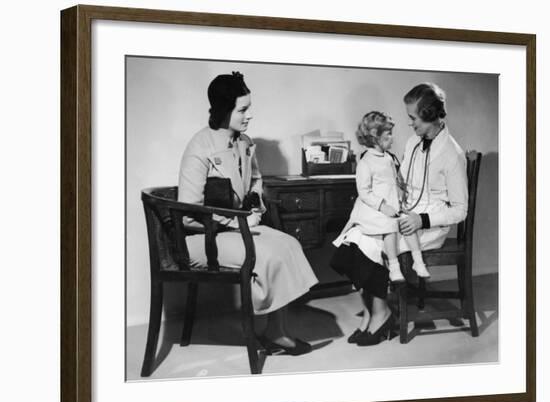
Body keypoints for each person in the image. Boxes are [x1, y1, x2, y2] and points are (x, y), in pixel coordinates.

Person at [178, 71, 318, 355]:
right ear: (223, 109)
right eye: (242, 109)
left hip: (236, 228)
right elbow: (188, 214)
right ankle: (274, 332)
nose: (249, 115)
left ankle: (276, 332)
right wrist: (235, 220)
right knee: (266, 254)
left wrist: (255, 206)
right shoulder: (199, 147)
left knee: (287, 243)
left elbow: (255, 181)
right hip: (203, 237)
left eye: (248, 108)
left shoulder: (244, 143)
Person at [331, 83, 468, 346]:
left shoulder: (452, 155)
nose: (409, 124)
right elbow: (400, 179)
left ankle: (381, 314)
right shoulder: (414, 141)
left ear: (429, 114)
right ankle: (371, 312)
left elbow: (460, 210)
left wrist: (421, 219)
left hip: (428, 225)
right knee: (353, 237)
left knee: (371, 242)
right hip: (403, 214)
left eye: (413, 118)